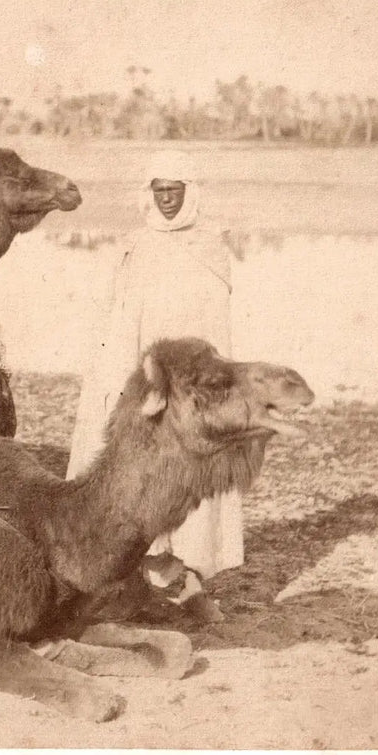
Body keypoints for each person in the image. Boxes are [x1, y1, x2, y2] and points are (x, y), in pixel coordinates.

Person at [65, 173, 240, 624]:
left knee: (187, 480)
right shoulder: (134, 248)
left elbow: (216, 328)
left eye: (174, 192)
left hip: (190, 393)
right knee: (135, 480)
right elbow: (118, 324)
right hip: (144, 388)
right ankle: (142, 579)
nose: (167, 200)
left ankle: (188, 583)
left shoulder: (210, 250)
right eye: (160, 191)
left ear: (188, 194)